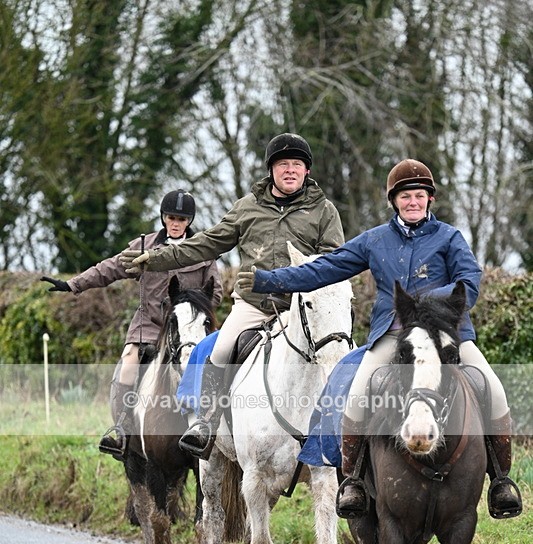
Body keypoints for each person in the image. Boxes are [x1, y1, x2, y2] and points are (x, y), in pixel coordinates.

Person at [234, 158, 522, 520]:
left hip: (448, 334)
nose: (413, 202)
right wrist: (267, 280)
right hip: (393, 334)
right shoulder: (374, 240)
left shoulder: (450, 238)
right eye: (406, 197)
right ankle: (353, 480)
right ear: (394, 200)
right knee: (354, 392)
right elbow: (323, 269)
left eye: (419, 196)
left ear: (430, 199)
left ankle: (500, 482)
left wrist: (427, 305)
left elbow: (469, 282)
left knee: (492, 387)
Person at [120, 133, 345, 459]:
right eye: (283, 164)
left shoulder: (324, 211)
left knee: (335, 354)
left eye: (297, 164)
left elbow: (332, 265)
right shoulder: (247, 207)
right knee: (220, 350)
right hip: (254, 305)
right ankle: (206, 423)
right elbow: (206, 244)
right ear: (271, 170)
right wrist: (155, 259)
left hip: (302, 306)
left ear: (307, 171)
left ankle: (338, 434)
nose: (290, 170)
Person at [41, 189, 223, 460]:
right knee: (128, 362)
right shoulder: (144, 247)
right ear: (163, 217)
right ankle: (122, 429)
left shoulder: (203, 252)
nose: (175, 223)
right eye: (171, 217)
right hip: (149, 325)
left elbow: (216, 293)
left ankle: (215, 429)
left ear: (189, 221)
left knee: (218, 363)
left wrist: (189, 304)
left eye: (181, 219)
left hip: (186, 329)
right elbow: (109, 268)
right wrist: (72, 284)